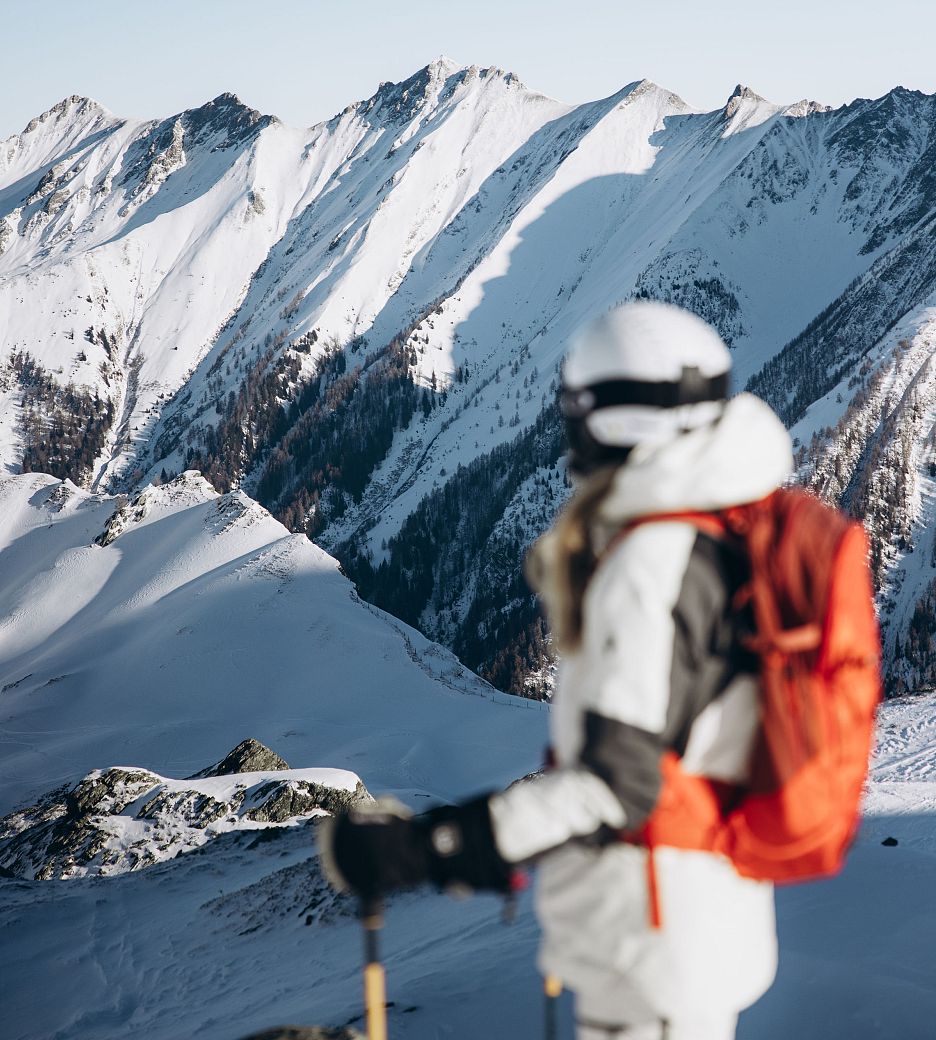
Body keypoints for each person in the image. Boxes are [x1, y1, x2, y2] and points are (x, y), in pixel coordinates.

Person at [322, 300, 793, 1039]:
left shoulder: (654, 564)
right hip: (684, 926)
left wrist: (429, 847)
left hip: (653, 947)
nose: (568, 428)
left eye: (578, 407)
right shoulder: (713, 530)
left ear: (617, 422)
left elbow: (616, 785)